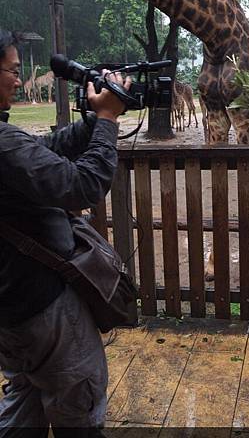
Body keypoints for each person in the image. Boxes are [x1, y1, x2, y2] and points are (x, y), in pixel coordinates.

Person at [0, 28, 131, 437]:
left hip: (10, 312)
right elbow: (82, 186)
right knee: (79, 408)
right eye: (13, 70)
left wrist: (93, 122)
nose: (19, 81)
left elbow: (41, 156)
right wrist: (108, 121)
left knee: (25, 395)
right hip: (44, 309)